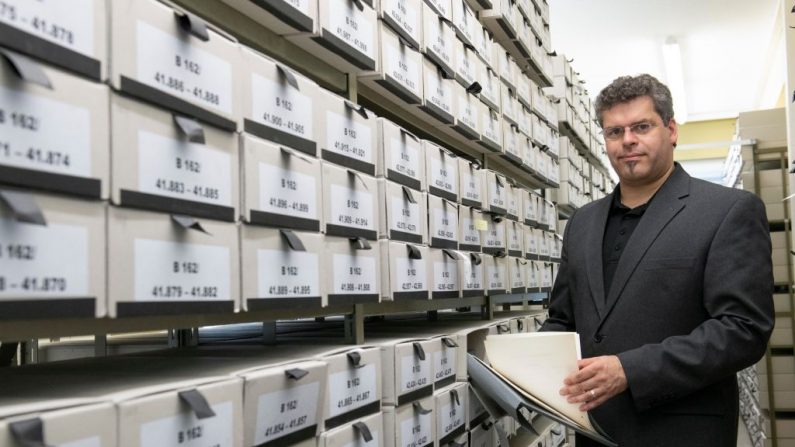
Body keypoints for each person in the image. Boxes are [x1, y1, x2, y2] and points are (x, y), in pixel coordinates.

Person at [541, 74, 774, 446]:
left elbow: (742, 329)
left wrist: (630, 370)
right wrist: (523, 364)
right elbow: (563, 319)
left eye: (642, 127)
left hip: (681, 431)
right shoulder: (582, 222)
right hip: (595, 431)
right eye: (614, 132)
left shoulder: (727, 210)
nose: (628, 140)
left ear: (671, 130)